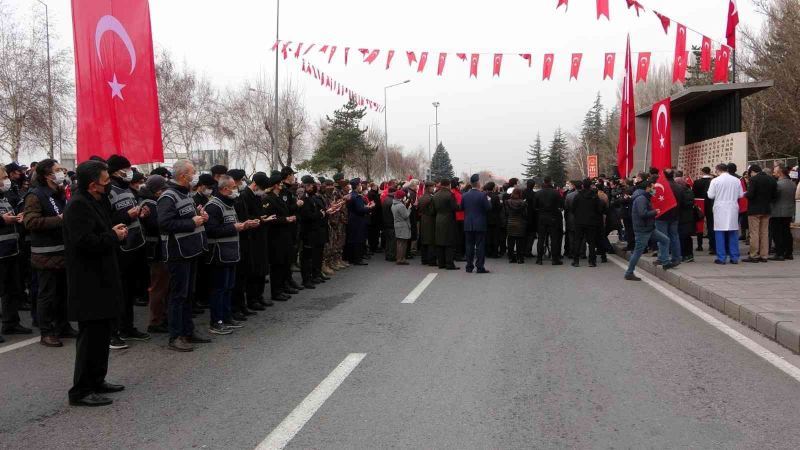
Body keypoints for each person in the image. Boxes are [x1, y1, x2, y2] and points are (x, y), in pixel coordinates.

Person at [64, 160, 127, 407]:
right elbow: (84, 242)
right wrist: (113, 235)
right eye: (105, 181)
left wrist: (113, 231)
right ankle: (81, 390)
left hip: (103, 276)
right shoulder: (78, 205)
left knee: (102, 335)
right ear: (93, 185)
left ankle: (97, 380)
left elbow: (101, 231)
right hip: (88, 281)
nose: (109, 185)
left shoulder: (96, 200)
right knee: (90, 337)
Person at [157, 160, 210, 352]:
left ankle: (188, 331)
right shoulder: (168, 196)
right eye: (192, 172)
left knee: (189, 294)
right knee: (178, 296)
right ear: (182, 176)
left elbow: (188, 216)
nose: (195, 175)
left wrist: (200, 216)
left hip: (191, 249)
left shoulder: (185, 193)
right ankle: (176, 336)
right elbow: (164, 223)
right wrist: (191, 222)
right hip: (177, 252)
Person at [24, 159, 76, 347]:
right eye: (57, 170)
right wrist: (59, 220)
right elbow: (30, 222)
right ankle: (46, 331)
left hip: (62, 252)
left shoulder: (59, 193)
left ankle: (63, 325)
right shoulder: (36, 195)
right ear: (47, 175)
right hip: (45, 255)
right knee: (47, 294)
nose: (62, 172)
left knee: (63, 292)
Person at [106, 155, 150, 348]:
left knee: (130, 291)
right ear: (117, 171)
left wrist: (140, 214)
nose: (130, 172)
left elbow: (132, 214)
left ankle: (127, 326)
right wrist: (127, 215)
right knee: (118, 292)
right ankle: (113, 331)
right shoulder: (109, 191)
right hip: (120, 248)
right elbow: (106, 218)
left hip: (135, 245)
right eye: (126, 169)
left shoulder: (127, 189)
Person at [205, 175, 258, 335]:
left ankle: (227, 317)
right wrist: (235, 227)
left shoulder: (230, 204)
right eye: (233, 186)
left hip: (231, 252)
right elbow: (211, 230)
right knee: (219, 289)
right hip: (219, 254)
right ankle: (216, 321)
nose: (236, 189)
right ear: (224, 189)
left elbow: (232, 225)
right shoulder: (214, 206)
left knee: (228, 287)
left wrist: (244, 225)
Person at [0, 166, 31, 339]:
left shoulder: (4, 198)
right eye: (3, 177)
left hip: (11, 250)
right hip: (1, 252)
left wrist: (18, 218)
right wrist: (2, 220)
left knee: (11, 290)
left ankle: (11, 323)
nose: (7, 180)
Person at [624, 179, 673, 280]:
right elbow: (643, 214)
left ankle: (665, 262)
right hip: (642, 230)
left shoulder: (646, 198)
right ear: (647, 188)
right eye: (652, 188)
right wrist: (655, 212)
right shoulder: (641, 199)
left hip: (649, 229)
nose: (654, 190)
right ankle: (629, 273)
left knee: (665, 240)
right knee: (638, 252)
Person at [138, 174, 169, 334]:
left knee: (163, 285)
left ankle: (162, 317)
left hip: (157, 248)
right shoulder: (149, 203)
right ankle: (156, 321)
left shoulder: (151, 201)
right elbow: (157, 225)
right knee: (158, 286)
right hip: (155, 250)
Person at [264, 173, 296, 301]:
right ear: (276, 185)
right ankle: (276, 291)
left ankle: (282, 288)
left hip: (284, 235)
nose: (282, 185)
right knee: (277, 264)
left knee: (284, 262)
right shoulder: (268, 199)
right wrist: (285, 219)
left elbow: (286, 210)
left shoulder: (279, 197)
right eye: (281, 183)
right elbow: (269, 218)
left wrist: (289, 218)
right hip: (275, 236)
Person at [707, 163, 745, 264]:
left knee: (720, 232)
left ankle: (721, 257)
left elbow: (710, 195)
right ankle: (734, 257)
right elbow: (741, 195)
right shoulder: (736, 180)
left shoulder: (715, 181)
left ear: (717, 170)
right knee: (733, 231)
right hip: (732, 206)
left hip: (720, 207)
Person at [299, 175, 330, 287]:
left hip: (317, 230)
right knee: (307, 257)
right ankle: (307, 279)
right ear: (307, 186)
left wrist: (323, 213)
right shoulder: (304, 199)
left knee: (317, 254)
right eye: (312, 185)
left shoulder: (312, 197)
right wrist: (320, 214)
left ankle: (316, 274)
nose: (314, 187)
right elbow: (307, 216)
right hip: (309, 232)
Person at [743, 164, 778, 263]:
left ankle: (754, 255)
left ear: (753, 171)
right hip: (766, 209)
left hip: (754, 210)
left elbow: (750, 194)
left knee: (754, 233)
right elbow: (775, 196)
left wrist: (745, 194)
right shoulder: (771, 179)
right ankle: (764, 255)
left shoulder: (754, 180)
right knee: (764, 233)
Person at [570, 179, 605, 267]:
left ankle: (576, 261)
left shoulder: (578, 196)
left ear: (582, 186)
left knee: (578, 240)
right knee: (591, 242)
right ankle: (592, 261)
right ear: (590, 186)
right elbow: (599, 209)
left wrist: (578, 215)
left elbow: (572, 208)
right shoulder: (594, 196)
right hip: (592, 222)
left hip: (579, 221)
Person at [461, 174, 491, 273]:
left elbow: (461, 208)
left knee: (469, 246)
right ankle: (480, 267)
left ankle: (469, 266)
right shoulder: (483, 195)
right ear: (478, 183)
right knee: (480, 246)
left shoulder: (464, 195)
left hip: (468, 223)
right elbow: (488, 208)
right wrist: (489, 201)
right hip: (480, 224)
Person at [654, 169, 683, 267]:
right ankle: (676, 258)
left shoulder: (659, 186)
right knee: (674, 237)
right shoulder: (679, 187)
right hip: (675, 215)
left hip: (662, 216)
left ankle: (663, 258)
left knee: (662, 238)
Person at [534, 176, 564, 265]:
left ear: (544, 182)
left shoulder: (538, 193)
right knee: (554, 238)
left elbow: (535, 207)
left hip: (542, 217)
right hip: (553, 217)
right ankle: (555, 259)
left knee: (541, 239)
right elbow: (562, 205)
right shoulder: (556, 193)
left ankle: (539, 259)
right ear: (550, 182)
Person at [770, 165, 796, 261]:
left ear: (780, 172)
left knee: (777, 233)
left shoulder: (778, 185)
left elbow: (773, 197)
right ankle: (789, 253)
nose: (774, 173)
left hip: (777, 212)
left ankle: (779, 253)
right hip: (789, 211)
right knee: (787, 232)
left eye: (775, 171)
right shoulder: (792, 184)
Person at [432, 178, 459, 270]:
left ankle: (441, 263)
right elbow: (455, 207)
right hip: (448, 219)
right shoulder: (449, 195)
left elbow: (433, 209)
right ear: (448, 185)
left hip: (438, 219)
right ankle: (449, 264)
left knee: (440, 242)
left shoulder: (436, 195)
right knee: (449, 242)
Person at [345, 178, 372, 265]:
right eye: (360, 185)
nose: (361, 187)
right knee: (358, 239)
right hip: (358, 220)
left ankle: (352, 258)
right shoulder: (357, 196)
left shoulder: (350, 195)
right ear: (357, 186)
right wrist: (369, 208)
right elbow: (360, 209)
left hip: (352, 218)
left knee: (352, 239)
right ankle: (357, 259)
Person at [692, 167, 715, 253]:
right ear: (709, 172)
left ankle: (699, 245)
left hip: (699, 203)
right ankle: (712, 246)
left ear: (702, 172)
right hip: (710, 203)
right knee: (710, 224)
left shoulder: (697, 182)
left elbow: (693, 193)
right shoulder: (712, 181)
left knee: (699, 224)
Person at [675, 176, 697, 262]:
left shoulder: (683, 192)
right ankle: (688, 255)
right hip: (687, 218)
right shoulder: (688, 191)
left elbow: (684, 204)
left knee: (683, 237)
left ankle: (685, 254)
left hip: (684, 218)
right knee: (685, 237)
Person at [505, 187, 528, 264]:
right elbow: (525, 214)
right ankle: (520, 258)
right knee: (520, 242)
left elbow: (507, 213)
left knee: (511, 241)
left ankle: (511, 258)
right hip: (520, 224)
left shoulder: (508, 202)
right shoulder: (523, 203)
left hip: (510, 223)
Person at [418, 181, 437, 266]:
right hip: (430, 220)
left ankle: (424, 259)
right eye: (433, 187)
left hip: (423, 220)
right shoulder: (431, 198)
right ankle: (431, 260)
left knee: (424, 240)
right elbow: (432, 211)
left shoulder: (421, 197)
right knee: (431, 241)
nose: (434, 188)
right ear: (428, 188)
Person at [391, 189, 412, 265]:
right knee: (403, 243)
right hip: (403, 225)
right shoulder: (401, 205)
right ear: (401, 197)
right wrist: (409, 208)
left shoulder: (394, 204)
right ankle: (401, 259)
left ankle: (399, 258)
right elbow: (406, 215)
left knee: (399, 242)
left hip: (397, 224)